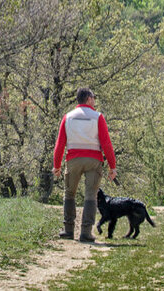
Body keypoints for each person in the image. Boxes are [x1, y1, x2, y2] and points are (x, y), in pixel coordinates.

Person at [52, 87, 117, 242]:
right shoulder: (98, 117)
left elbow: (60, 144)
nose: (94, 101)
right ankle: (86, 232)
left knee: (69, 194)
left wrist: (57, 165)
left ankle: (68, 230)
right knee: (91, 195)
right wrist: (112, 166)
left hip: (73, 159)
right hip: (94, 160)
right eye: (93, 98)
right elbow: (106, 143)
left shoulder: (67, 117)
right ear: (88, 99)